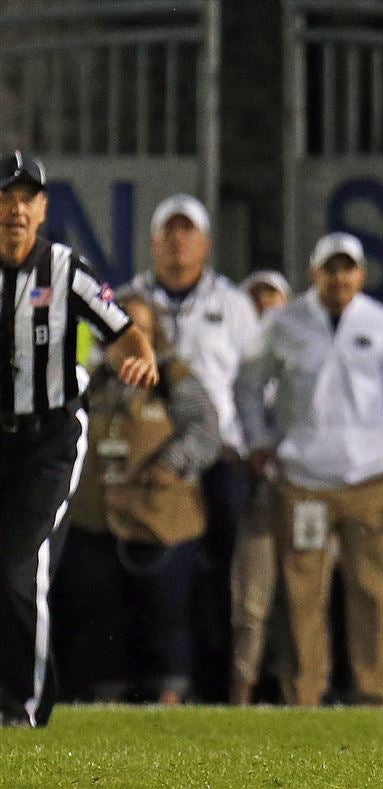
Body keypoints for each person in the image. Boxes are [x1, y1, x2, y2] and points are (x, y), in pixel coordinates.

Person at [0, 150, 158, 727]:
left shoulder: (67, 269)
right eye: (5, 197)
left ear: (42, 210)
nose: (15, 210)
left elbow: (124, 332)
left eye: (26, 199)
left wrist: (141, 359)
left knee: (20, 565)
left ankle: (24, 707)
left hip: (50, 437)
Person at [235, 232, 383, 707]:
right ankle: (304, 697)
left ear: (360, 273)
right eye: (330, 269)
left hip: (371, 478)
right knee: (301, 597)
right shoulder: (284, 323)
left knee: (374, 595)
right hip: (303, 480)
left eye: (347, 268)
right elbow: (249, 385)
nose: (339, 278)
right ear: (313, 273)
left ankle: (373, 696)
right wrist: (258, 441)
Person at [54, 294, 220, 705]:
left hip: (160, 517)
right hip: (97, 516)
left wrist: (172, 462)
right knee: (97, 610)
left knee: (164, 611)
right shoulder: (90, 379)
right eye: (120, 331)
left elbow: (205, 428)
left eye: (140, 329)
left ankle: (170, 691)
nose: (130, 339)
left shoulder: (172, 377)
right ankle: (104, 693)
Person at [126, 193, 260, 702]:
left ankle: (215, 684)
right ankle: (154, 682)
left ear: (205, 243)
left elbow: (250, 385)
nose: (178, 241)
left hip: (219, 458)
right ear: (154, 241)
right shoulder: (126, 299)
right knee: (155, 573)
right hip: (149, 460)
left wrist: (255, 447)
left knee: (222, 577)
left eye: (188, 232)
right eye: (169, 231)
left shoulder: (232, 303)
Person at [229, 269, 292, 705]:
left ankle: (296, 692)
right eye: (256, 304)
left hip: (305, 488)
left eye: (273, 303)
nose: (264, 313)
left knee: (301, 603)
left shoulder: (302, 362)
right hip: (255, 491)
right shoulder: (236, 372)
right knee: (251, 600)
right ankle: (242, 692)